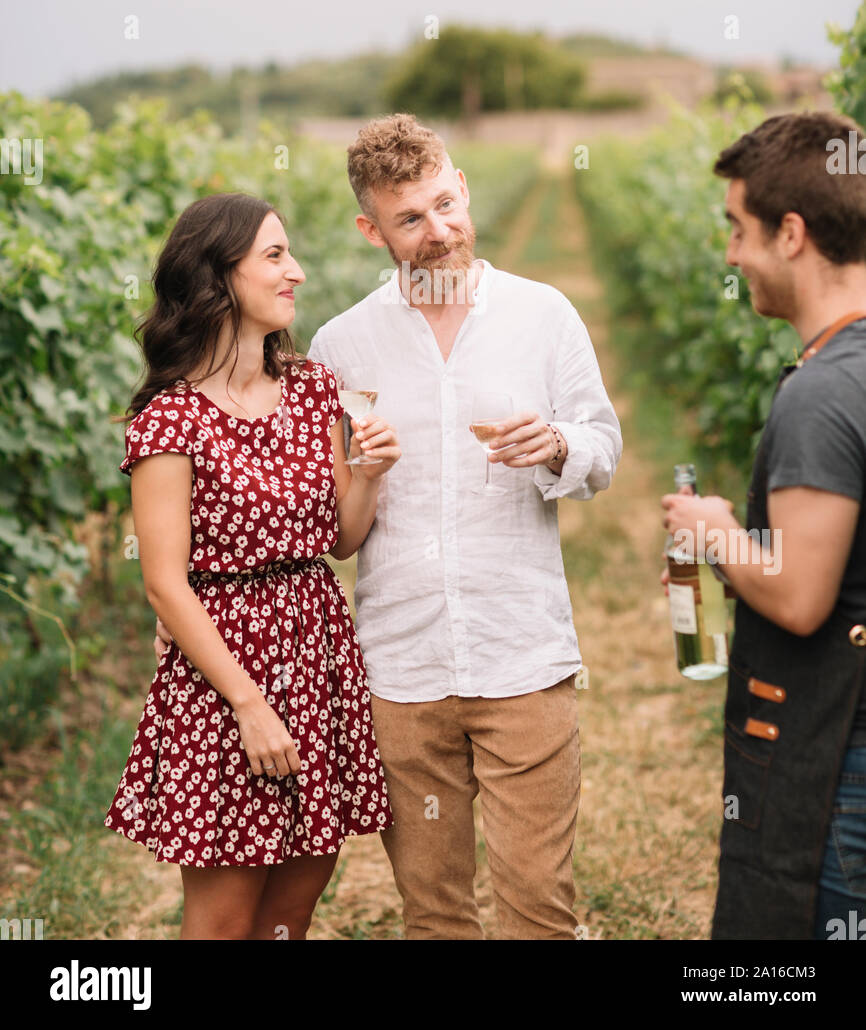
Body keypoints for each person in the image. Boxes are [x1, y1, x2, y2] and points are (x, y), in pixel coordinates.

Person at [306, 112, 622, 939]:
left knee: (538, 910)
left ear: (464, 186)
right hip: (402, 670)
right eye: (410, 218)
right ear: (371, 228)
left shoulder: (543, 315)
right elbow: (337, 533)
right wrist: (363, 475)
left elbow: (604, 445)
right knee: (436, 915)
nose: (440, 230)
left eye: (446, 203)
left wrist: (558, 444)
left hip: (522, 654)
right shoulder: (341, 346)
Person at [105, 192, 399, 940]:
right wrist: (248, 704)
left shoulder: (311, 390)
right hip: (224, 682)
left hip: (316, 659)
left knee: (290, 914)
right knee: (224, 924)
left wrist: (366, 476)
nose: (295, 271)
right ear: (216, 277)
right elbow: (164, 582)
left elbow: (338, 539)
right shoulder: (170, 418)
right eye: (274, 255)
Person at [660, 110, 866, 941]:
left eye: (736, 230)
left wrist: (713, 530)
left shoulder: (823, 394)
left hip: (834, 766)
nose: (729, 255)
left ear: (790, 233)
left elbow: (801, 596)